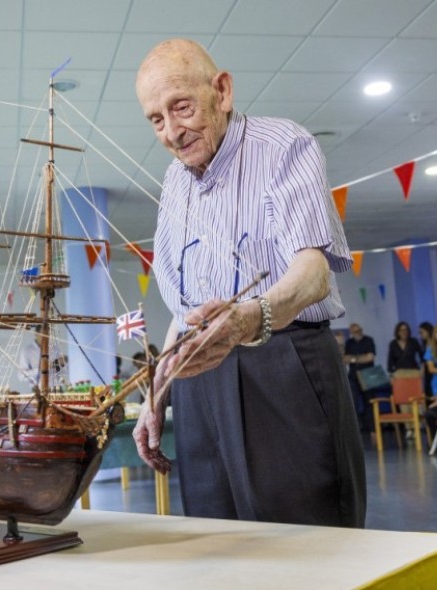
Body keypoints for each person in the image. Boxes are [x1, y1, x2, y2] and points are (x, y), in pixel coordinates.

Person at [131, 39, 365, 528]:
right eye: (156, 119)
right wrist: (159, 388)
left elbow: (313, 274)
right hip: (198, 382)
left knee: (303, 543)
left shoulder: (283, 146)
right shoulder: (173, 182)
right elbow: (185, 308)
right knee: (217, 543)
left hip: (281, 364)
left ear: (222, 90)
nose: (172, 132)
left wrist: (246, 319)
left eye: (182, 108)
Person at [343, 323, 377, 433]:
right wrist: (360, 358)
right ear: (351, 333)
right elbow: (346, 358)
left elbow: (369, 358)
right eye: (355, 331)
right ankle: (356, 430)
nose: (357, 333)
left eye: (359, 330)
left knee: (370, 403)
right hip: (353, 376)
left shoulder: (368, 340)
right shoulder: (349, 343)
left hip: (367, 374)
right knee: (353, 403)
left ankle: (373, 429)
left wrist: (354, 359)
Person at [418, 322, 434, 399]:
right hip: (427, 373)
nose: (421, 335)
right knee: (428, 393)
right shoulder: (423, 346)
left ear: (428, 331)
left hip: (435, 371)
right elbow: (423, 361)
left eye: (422, 332)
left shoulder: (435, 344)